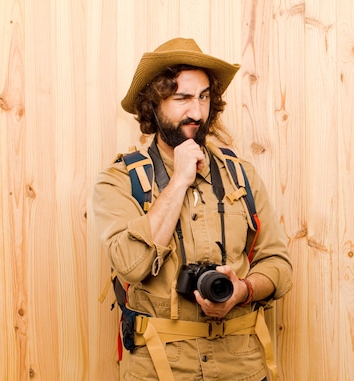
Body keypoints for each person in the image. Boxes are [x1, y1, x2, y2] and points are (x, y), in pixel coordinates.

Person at [94, 37, 293, 381]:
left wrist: (243, 290)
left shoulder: (240, 175)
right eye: (182, 98)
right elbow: (131, 265)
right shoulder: (119, 181)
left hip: (242, 366)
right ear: (153, 104)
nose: (197, 112)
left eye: (203, 97)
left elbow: (279, 264)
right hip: (159, 369)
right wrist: (179, 180)